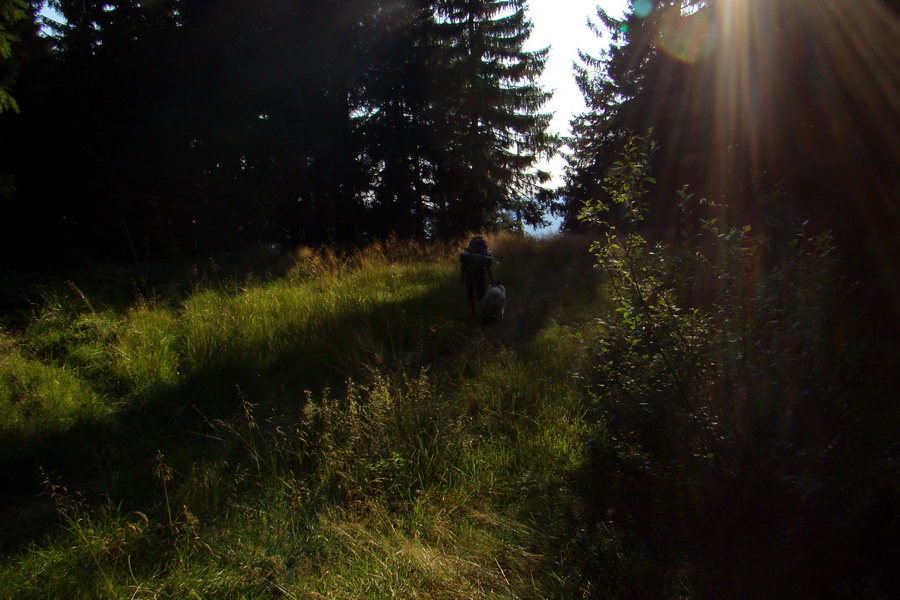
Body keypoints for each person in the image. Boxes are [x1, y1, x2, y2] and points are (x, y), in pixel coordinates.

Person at [459, 236, 494, 318]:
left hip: (469, 276)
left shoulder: (468, 253)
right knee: (481, 295)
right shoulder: (484, 254)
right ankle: (484, 311)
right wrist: (492, 281)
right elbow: (489, 270)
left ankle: (472, 313)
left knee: (470, 295)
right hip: (480, 276)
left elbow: (463, 266)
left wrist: (461, 277)